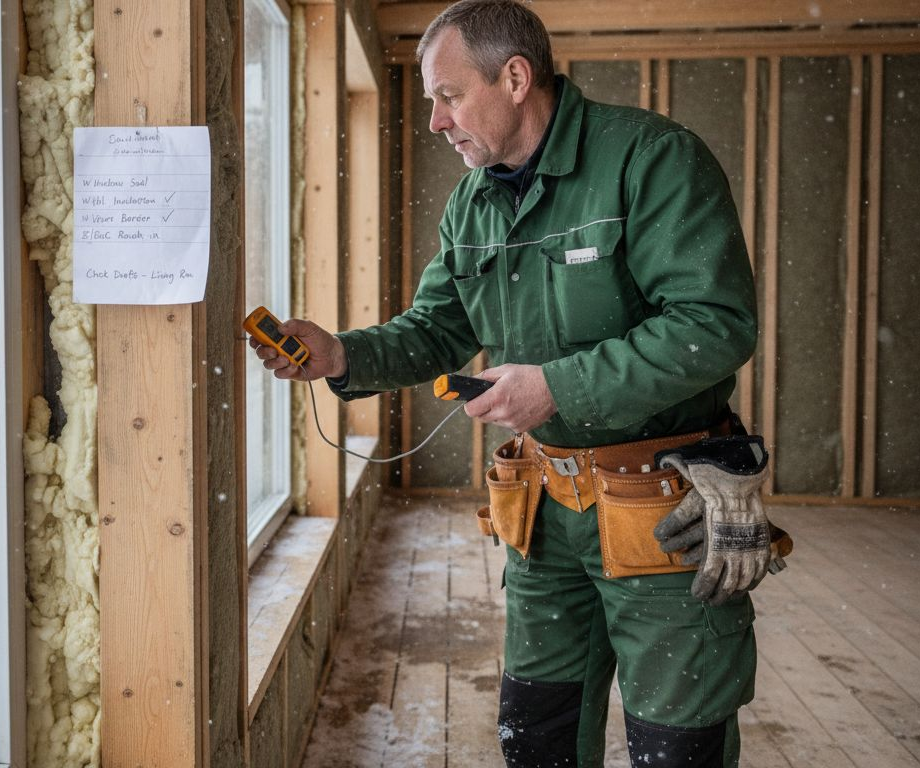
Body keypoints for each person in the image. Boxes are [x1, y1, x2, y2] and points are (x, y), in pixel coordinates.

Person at [250, 1, 778, 765]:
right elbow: (438, 330)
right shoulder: (474, 203)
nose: (436, 120)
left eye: (449, 95)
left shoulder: (650, 160)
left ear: (517, 78)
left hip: (664, 513)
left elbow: (715, 325)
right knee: (537, 735)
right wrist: (339, 355)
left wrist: (558, 387)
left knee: (677, 747)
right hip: (545, 515)